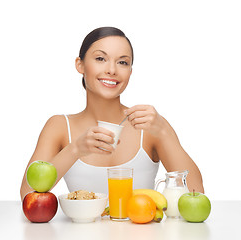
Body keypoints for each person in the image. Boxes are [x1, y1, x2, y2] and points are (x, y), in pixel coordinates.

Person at [20, 27, 204, 200]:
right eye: (100, 59)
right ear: (80, 65)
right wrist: (75, 149)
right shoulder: (59, 126)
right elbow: (28, 196)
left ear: (130, 72)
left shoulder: (148, 125)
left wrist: (164, 132)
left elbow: (196, 195)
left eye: (122, 62)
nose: (112, 70)